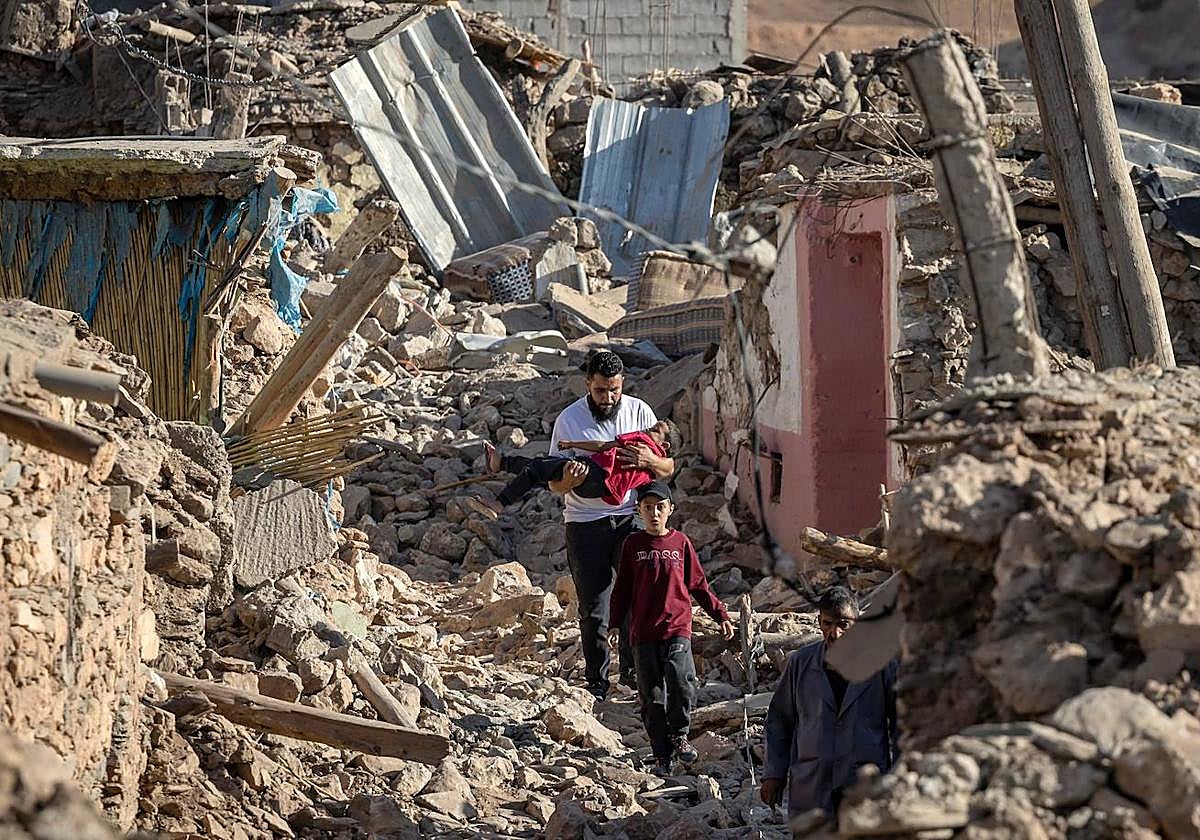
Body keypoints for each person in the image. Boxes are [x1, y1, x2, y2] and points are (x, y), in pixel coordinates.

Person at [549, 350, 675, 701]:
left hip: (632, 518)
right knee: (593, 608)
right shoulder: (568, 421)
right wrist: (568, 483)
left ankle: (636, 676)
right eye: (601, 390)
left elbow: (667, 469)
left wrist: (650, 459)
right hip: (585, 522)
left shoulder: (640, 412)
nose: (609, 398)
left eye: (615, 390)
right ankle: (597, 682)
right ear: (588, 384)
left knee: (638, 598)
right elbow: (553, 483)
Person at [609, 482, 734, 776]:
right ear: (639, 511)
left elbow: (698, 585)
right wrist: (614, 624)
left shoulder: (681, 544)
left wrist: (720, 614)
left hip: (677, 626)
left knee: (681, 679)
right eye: (648, 507)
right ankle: (661, 755)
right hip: (643, 632)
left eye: (660, 507)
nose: (654, 513)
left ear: (670, 510)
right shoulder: (633, 545)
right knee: (651, 697)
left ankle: (679, 734)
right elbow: (622, 589)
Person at [760, 586, 898, 825]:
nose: (835, 633)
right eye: (828, 623)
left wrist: (901, 776)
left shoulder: (881, 665)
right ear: (819, 622)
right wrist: (774, 774)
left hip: (864, 783)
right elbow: (780, 721)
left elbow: (901, 723)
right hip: (813, 785)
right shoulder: (800, 664)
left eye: (844, 623)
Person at [473, 420, 682, 515]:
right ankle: (502, 463)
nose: (648, 428)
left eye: (655, 430)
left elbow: (604, 445)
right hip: (599, 489)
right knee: (541, 468)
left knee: (538, 469)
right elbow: (669, 468)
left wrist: (573, 445)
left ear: (663, 446)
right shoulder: (654, 469)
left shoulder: (642, 443)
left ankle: (500, 503)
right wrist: (574, 445)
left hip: (595, 475)